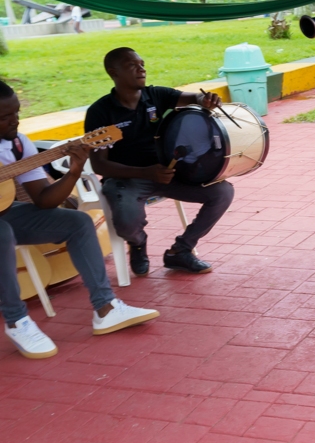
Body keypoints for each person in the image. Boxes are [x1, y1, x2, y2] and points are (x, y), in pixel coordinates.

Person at [0, 80, 159, 359]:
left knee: (77, 222)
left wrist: (73, 171)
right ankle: (17, 320)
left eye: (16, 113)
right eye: (4, 117)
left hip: (6, 212)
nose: (14, 122)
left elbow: (43, 200)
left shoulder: (16, 144)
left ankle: (106, 308)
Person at [85, 48, 235, 276]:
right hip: (126, 179)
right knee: (126, 223)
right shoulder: (100, 112)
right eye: (132, 65)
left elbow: (191, 98)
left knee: (222, 192)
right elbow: (99, 166)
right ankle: (137, 243)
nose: (141, 68)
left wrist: (203, 99)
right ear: (113, 72)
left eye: (142, 63)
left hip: (167, 174)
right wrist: (146, 173)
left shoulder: (155, 95)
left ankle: (181, 251)